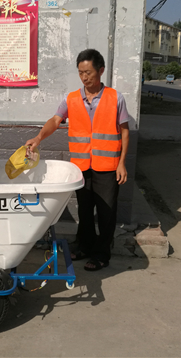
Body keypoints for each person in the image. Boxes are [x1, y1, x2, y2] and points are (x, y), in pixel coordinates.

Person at [26, 49, 130, 272]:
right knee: (84, 210)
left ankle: (102, 254)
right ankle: (84, 246)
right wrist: (38, 138)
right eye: (81, 72)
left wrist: (122, 163)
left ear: (101, 71)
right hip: (82, 166)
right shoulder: (71, 99)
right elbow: (55, 120)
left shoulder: (115, 98)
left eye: (88, 72)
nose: (84, 77)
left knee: (106, 213)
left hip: (108, 167)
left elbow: (124, 131)